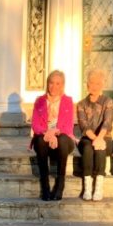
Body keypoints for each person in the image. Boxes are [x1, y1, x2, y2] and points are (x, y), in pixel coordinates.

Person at [30, 70, 76, 201]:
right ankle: (45, 186)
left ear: (62, 86)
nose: (54, 86)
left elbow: (67, 127)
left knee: (62, 139)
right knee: (39, 140)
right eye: (51, 83)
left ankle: (60, 185)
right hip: (45, 140)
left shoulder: (68, 101)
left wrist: (53, 132)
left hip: (63, 141)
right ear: (47, 84)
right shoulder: (39, 101)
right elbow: (35, 125)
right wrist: (47, 134)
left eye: (58, 83)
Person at [76, 68, 113, 201]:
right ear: (87, 85)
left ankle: (98, 187)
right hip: (87, 138)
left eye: (98, 83)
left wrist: (99, 139)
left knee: (101, 148)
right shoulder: (81, 104)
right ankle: (87, 187)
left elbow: (107, 122)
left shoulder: (108, 101)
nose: (94, 86)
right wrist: (95, 139)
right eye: (92, 83)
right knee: (87, 148)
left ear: (102, 85)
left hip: (105, 138)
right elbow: (84, 126)